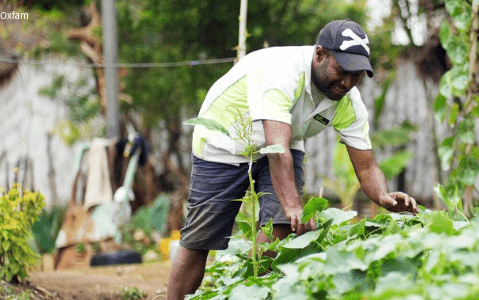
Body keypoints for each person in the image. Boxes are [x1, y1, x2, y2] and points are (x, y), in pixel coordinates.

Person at [168, 20, 418, 299]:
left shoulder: (348, 100)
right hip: (226, 140)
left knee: (282, 226)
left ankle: (247, 293)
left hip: (284, 138)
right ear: (320, 55)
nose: (347, 82)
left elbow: (367, 164)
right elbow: (276, 148)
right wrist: (293, 205)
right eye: (341, 71)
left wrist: (383, 196)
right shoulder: (283, 71)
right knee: (202, 237)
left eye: (356, 75)